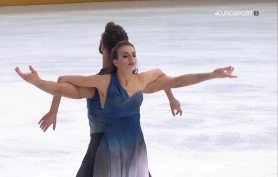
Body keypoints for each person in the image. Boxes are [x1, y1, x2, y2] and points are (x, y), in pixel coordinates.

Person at [15, 40, 237, 177]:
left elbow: (175, 80)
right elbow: (60, 86)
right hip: (110, 149)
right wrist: (36, 81)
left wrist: (211, 75)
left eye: (133, 54)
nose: (132, 58)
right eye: (125, 55)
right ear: (116, 61)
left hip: (137, 148)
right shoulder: (102, 83)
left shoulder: (142, 80)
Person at [37, 22, 182, 177]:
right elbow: (162, 77)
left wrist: (53, 111)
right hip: (129, 147)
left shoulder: (97, 84)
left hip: (101, 145)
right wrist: (171, 98)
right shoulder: (133, 81)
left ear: (103, 46)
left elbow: (61, 83)